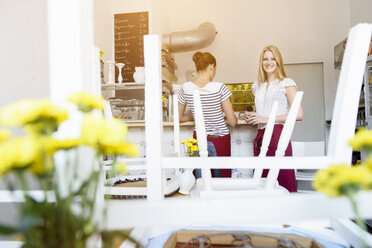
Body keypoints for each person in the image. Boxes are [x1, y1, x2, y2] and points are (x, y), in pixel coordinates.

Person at [245, 45, 303, 192]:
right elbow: (262, 114)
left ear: (278, 62)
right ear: (261, 62)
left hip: (278, 136)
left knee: (280, 180)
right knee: (263, 182)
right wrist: (253, 118)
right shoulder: (257, 86)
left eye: (272, 59)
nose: (268, 62)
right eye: (265, 59)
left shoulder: (286, 83)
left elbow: (299, 114)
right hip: (261, 136)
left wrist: (265, 118)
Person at [178, 51, 237, 178]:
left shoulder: (186, 88)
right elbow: (232, 122)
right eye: (215, 69)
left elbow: (179, 118)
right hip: (220, 140)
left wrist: (199, 117)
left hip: (198, 139)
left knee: (201, 181)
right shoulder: (220, 87)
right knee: (222, 183)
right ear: (211, 67)